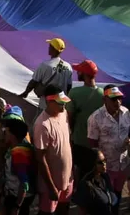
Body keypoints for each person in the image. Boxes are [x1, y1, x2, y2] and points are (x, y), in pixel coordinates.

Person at [86, 85, 130, 196]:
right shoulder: (95, 117)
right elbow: (92, 144)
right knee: (107, 197)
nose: (117, 102)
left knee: (118, 194)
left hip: (123, 164)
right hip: (106, 168)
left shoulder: (126, 112)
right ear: (104, 99)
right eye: (113, 99)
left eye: (119, 98)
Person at [33, 86, 74, 215]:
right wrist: (51, 188)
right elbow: (40, 158)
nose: (63, 106)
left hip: (67, 179)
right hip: (51, 185)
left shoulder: (64, 114)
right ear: (49, 101)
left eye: (64, 102)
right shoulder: (42, 125)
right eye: (60, 103)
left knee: (64, 210)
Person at [67, 60, 105, 169]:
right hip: (98, 143)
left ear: (84, 74)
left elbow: (69, 118)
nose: (77, 73)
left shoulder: (74, 92)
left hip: (79, 142)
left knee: (80, 171)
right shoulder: (103, 94)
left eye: (79, 71)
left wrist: (70, 136)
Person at [73, 149, 119, 215]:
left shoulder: (105, 177)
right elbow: (82, 211)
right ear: (92, 164)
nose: (104, 164)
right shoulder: (86, 185)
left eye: (104, 160)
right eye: (100, 162)